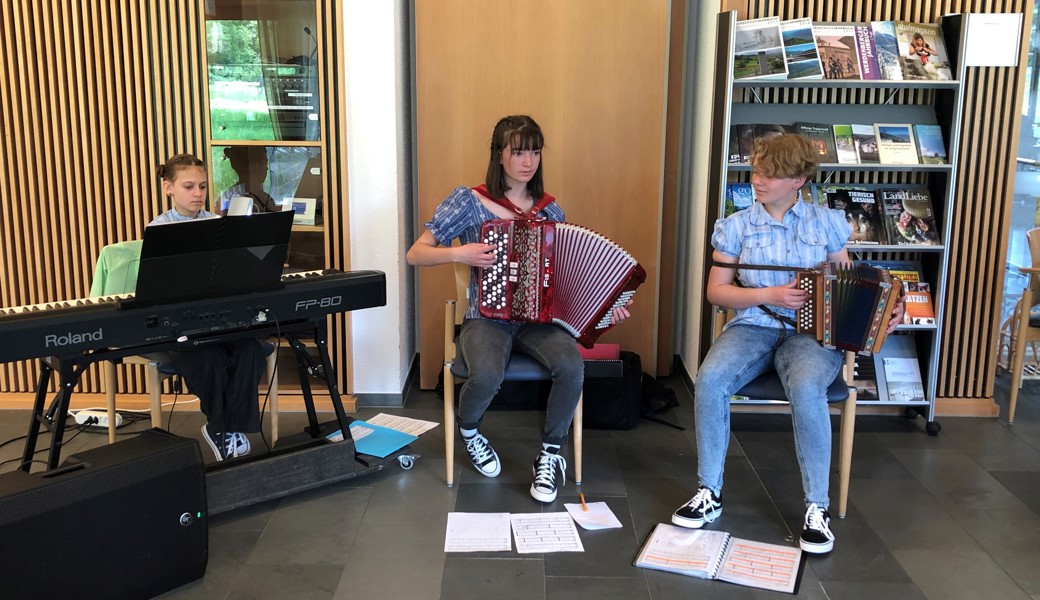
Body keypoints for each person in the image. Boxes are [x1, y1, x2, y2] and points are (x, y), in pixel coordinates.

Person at [671, 134, 904, 554]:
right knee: (709, 379)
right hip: (754, 324)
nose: (757, 180)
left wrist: (882, 314)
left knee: (807, 387)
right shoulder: (735, 226)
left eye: (770, 174)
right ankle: (709, 490)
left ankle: (818, 507)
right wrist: (770, 295)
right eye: (756, 170)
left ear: (798, 180)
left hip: (811, 334)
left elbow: (851, 287)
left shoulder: (827, 223)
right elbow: (717, 293)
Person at [406, 115, 630, 503]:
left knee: (572, 366)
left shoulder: (550, 212)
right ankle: (470, 429)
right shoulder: (470, 202)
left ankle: (550, 454)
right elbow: (415, 254)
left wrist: (606, 306)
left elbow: (566, 279)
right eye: (519, 151)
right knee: (487, 375)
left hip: (538, 321)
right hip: (486, 317)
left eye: (535, 152)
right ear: (499, 155)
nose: (528, 161)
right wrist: (460, 252)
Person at [150, 153, 267, 461]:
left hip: (220, 318)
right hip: (179, 323)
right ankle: (222, 427)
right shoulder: (159, 230)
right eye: (188, 186)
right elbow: (158, 287)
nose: (198, 193)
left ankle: (224, 427)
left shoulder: (218, 225)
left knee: (250, 350)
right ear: (168, 188)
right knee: (209, 357)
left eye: (202, 186)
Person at [218, 146, 279, 214]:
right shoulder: (227, 198)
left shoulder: (266, 199)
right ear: (251, 168)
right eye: (264, 164)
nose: (266, 169)